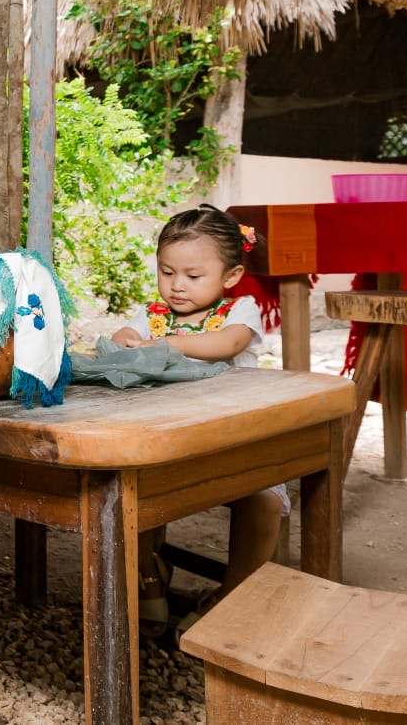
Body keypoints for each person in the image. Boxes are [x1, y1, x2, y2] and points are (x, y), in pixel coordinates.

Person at [110, 204, 283, 641]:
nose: (176, 286)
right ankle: (149, 575)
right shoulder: (151, 315)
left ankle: (235, 591)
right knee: (134, 488)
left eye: (192, 275)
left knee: (264, 498)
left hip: (233, 436)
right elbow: (120, 339)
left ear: (229, 276)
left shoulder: (238, 312)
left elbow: (226, 345)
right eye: (167, 272)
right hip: (168, 434)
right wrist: (127, 339)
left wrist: (168, 343)